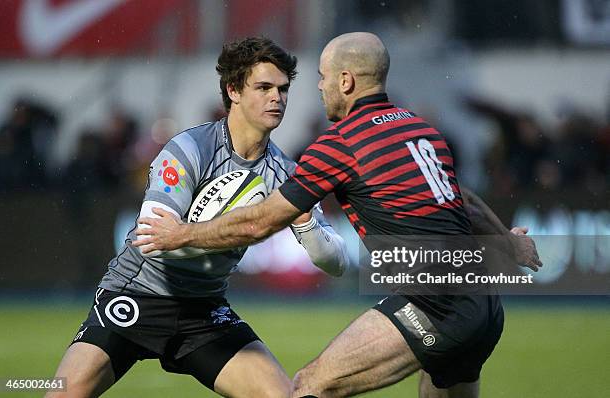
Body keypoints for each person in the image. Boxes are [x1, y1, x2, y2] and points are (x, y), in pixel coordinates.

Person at [134, 32, 541, 398]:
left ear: (346, 81)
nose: (321, 87)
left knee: (310, 387)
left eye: (324, 78)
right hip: (485, 305)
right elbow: (464, 202)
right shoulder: (420, 130)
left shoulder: (341, 142)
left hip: (435, 305)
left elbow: (261, 221)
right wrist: (510, 244)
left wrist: (181, 234)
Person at [47, 37, 348, 398]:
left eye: (283, 89)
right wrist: (248, 225)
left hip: (205, 312)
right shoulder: (189, 149)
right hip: (137, 297)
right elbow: (156, 242)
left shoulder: (286, 174)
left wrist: (304, 221)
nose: (277, 98)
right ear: (233, 90)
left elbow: (336, 263)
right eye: (264, 87)